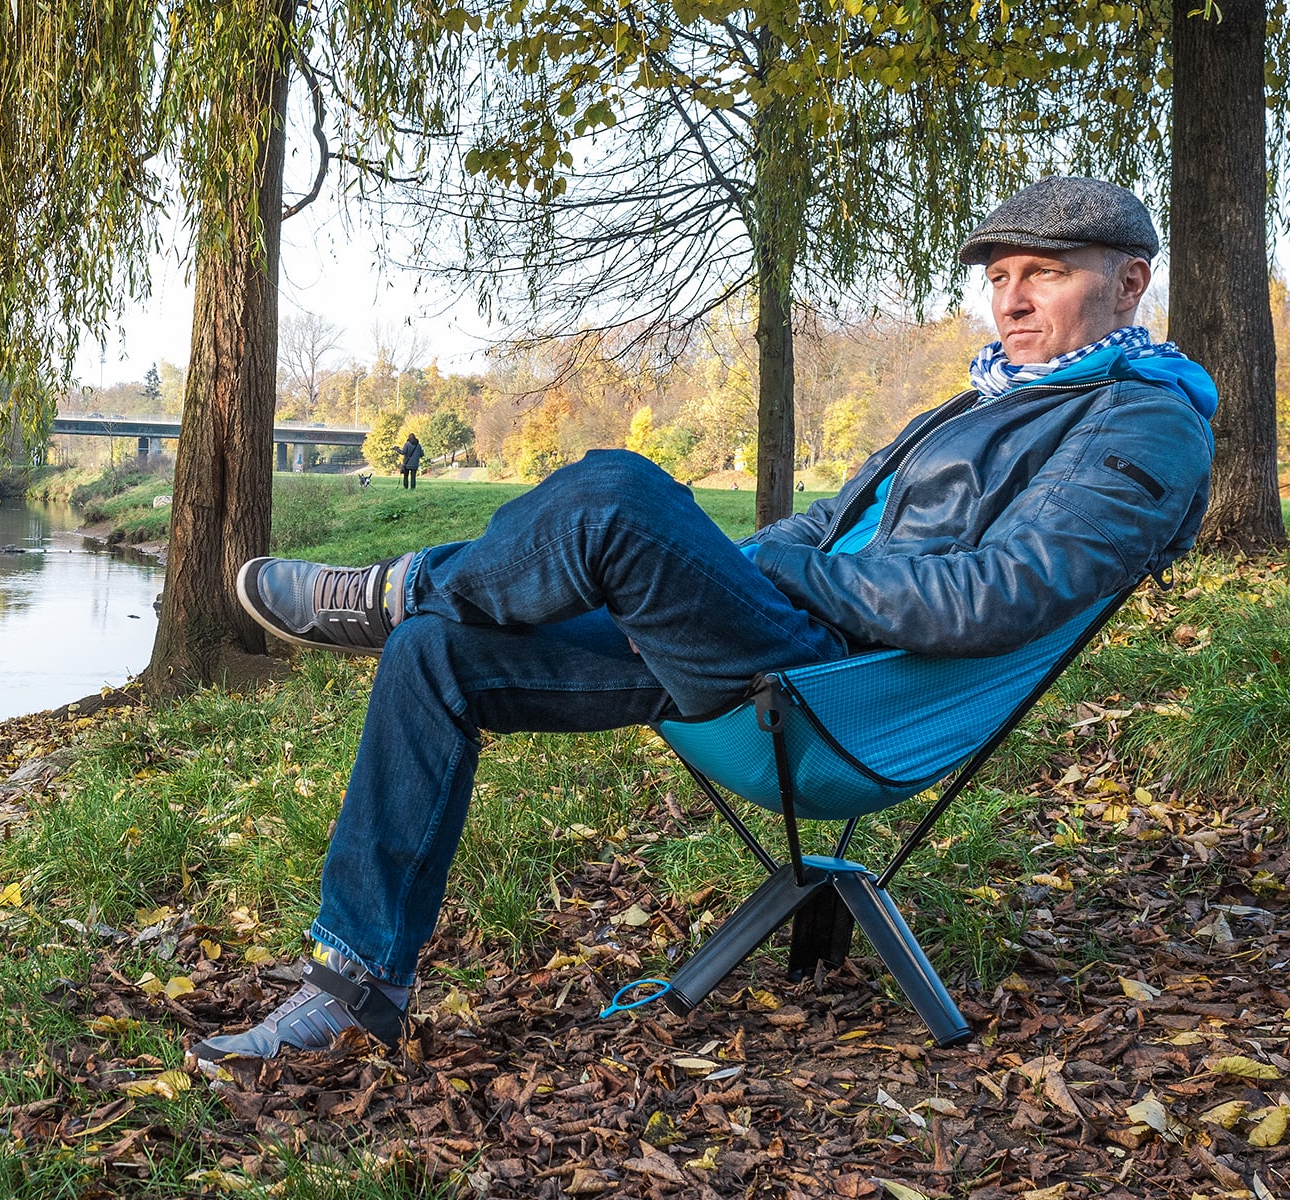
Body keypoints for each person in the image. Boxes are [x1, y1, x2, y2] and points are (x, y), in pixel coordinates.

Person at [193, 177, 1217, 1066]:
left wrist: (789, 577)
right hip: (782, 645)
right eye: (997, 277)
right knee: (437, 656)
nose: (1012, 299)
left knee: (618, 495)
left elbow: (1001, 596)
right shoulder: (994, 396)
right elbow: (828, 522)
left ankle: (390, 588)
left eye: (1043, 272)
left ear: (1129, 282)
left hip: (845, 688)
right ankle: (354, 988)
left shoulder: (1141, 418)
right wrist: (747, 566)